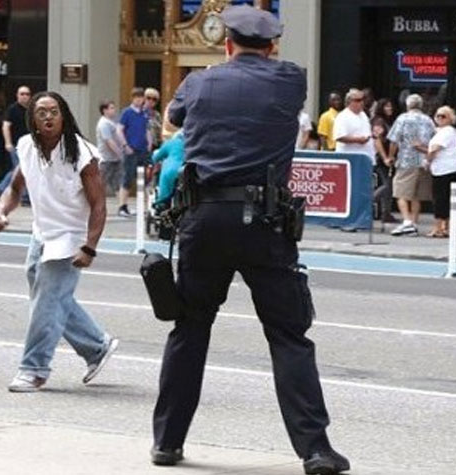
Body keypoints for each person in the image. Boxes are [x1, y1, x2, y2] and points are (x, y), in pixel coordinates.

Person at [151, 6, 349, 473]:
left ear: (226, 44)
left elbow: (174, 117)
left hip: (204, 219)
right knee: (288, 336)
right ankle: (315, 450)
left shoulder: (198, 82)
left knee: (190, 329)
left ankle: (167, 442)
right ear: (273, 46)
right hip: (264, 221)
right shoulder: (290, 79)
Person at [0, 91, 119, 393]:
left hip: (70, 237)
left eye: (54, 112)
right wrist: (2, 213)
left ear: (64, 117)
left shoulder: (83, 154)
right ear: (32, 119)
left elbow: (99, 205)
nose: (48, 117)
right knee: (49, 296)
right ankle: (97, 346)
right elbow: (15, 188)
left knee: (47, 301)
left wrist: (89, 247)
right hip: (42, 233)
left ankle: (34, 369)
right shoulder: (27, 147)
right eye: (41, 112)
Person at [387, 93, 435, 236]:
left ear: (408, 105)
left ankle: (407, 221)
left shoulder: (403, 119)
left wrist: (391, 156)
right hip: (424, 161)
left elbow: (394, 140)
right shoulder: (428, 120)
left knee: (400, 192)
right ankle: (413, 223)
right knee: (416, 195)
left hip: (407, 160)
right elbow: (434, 139)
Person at [422, 106, 456, 237]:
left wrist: (427, 160)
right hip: (450, 168)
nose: (440, 118)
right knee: (447, 199)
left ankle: (438, 227)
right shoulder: (452, 132)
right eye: (438, 115)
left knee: (440, 198)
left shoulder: (446, 132)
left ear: (450, 118)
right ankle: (447, 226)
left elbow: (435, 149)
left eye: (443, 116)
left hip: (443, 169)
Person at [117, 87, 152, 217]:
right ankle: (122, 206)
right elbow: (119, 129)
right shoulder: (127, 113)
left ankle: (147, 207)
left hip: (143, 149)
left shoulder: (144, 113)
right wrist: (125, 145)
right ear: (132, 99)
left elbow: (147, 129)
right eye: (136, 97)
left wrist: (149, 143)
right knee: (127, 177)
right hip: (131, 150)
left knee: (146, 179)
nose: (139, 100)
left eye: (141, 97)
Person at [0, 85, 31, 199]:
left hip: (29, 145)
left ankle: (1, 188)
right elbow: (6, 126)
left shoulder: (31, 109)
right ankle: (25, 196)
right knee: (22, 169)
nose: (25, 96)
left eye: (27, 94)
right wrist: (8, 143)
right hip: (16, 145)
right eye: (22, 94)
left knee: (17, 169)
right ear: (17, 95)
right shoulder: (12, 109)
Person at [333, 88, 374, 163]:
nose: (362, 102)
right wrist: (358, 140)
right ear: (349, 101)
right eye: (358, 100)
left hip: (365, 158)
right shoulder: (343, 116)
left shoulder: (363, 115)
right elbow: (339, 137)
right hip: (350, 159)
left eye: (363, 99)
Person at [96, 99, 125, 197]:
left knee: (118, 184)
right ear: (105, 110)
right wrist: (120, 154)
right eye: (111, 108)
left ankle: (122, 204)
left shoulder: (112, 122)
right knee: (101, 184)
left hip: (114, 159)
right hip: (106, 159)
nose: (114, 110)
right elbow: (109, 141)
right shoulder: (104, 124)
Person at [150, 129, 184, 208]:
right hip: (188, 170)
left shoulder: (171, 143)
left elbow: (156, 157)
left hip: (170, 170)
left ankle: (162, 206)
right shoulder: (193, 143)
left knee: (164, 194)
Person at [371, 116, 396, 223]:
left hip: (388, 161)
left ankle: (386, 212)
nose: (377, 130)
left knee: (389, 188)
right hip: (381, 163)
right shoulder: (377, 138)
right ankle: (371, 200)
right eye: (375, 127)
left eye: (380, 127)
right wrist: (386, 158)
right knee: (387, 186)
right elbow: (379, 147)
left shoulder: (388, 136)